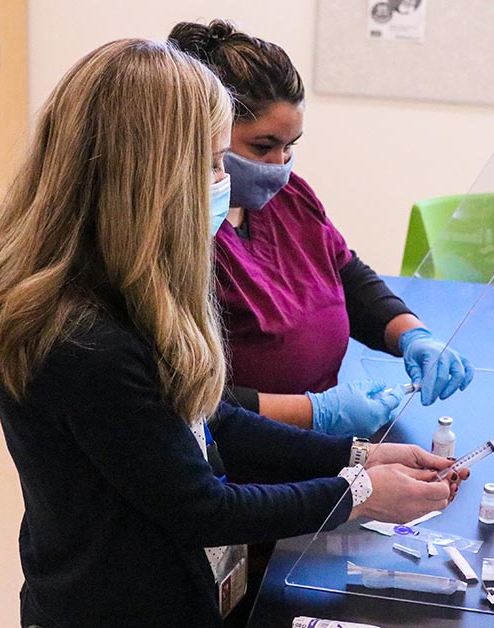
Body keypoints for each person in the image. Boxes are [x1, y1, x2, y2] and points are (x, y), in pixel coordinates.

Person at [0, 40, 465, 628]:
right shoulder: (83, 337)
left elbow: (209, 418)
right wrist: (358, 493)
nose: (225, 182)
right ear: (150, 176)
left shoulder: (137, 282)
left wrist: (356, 455)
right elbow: (198, 505)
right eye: (215, 163)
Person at [168, 20, 476, 439]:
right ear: (206, 133)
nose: (280, 164)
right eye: (262, 146)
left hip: (320, 447)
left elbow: (344, 273)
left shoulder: (291, 197)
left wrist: (412, 334)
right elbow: (181, 401)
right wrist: (314, 413)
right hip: (249, 460)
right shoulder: (177, 237)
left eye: (291, 146)